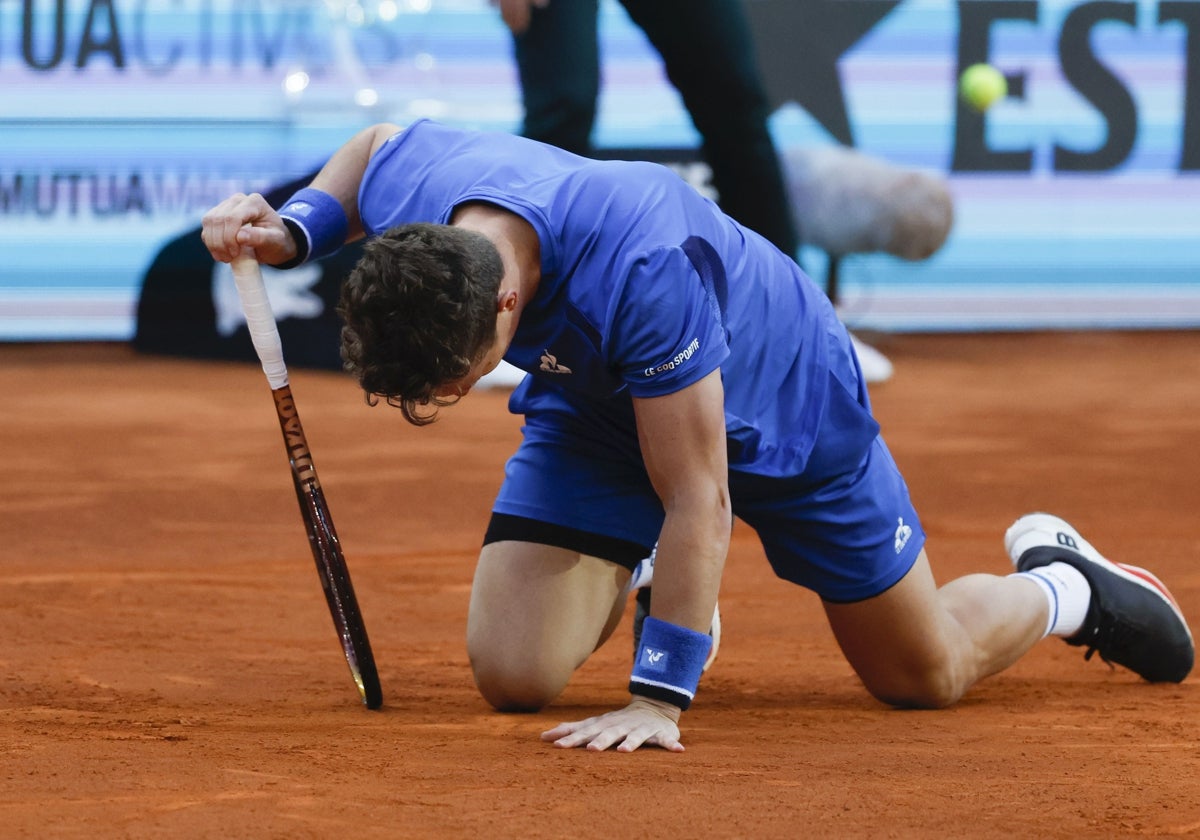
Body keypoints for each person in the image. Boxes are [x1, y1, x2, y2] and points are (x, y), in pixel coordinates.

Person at [201, 120, 1194, 753]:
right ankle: (649, 573)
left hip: (779, 410)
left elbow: (700, 494)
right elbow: (371, 147)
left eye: (451, 387)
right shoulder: (426, 189)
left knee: (922, 676)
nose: (437, 407)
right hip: (594, 403)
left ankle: (1067, 586)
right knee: (514, 679)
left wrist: (658, 698)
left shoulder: (643, 268)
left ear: (506, 303)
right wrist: (292, 231)